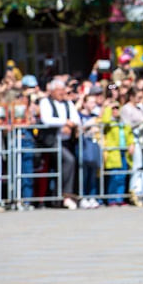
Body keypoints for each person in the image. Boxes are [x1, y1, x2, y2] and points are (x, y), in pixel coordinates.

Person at [39, 79, 82, 210]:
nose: (62, 93)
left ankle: (63, 197)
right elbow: (46, 119)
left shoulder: (68, 103)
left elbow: (76, 119)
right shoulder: (45, 102)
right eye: (59, 90)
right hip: (51, 141)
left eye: (63, 90)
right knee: (69, 160)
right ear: (52, 91)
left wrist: (70, 124)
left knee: (71, 163)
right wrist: (64, 122)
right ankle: (66, 195)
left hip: (67, 141)